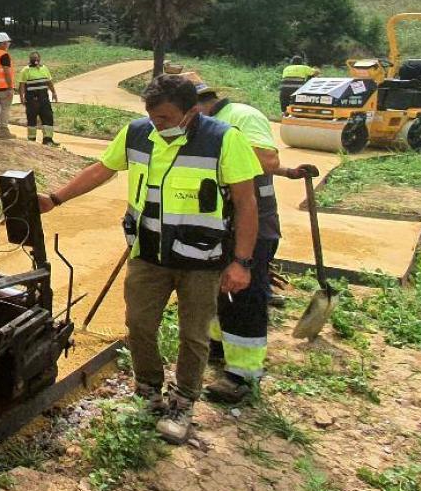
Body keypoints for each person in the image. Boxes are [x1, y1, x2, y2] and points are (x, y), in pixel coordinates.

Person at [37, 74, 261, 444]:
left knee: (193, 335)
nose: (157, 124)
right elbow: (102, 170)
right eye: (152, 116)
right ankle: (148, 391)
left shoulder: (224, 140)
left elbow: (246, 202)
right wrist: (56, 198)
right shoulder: (137, 133)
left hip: (200, 259)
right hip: (149, 254)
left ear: (191, 113)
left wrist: (242, 262)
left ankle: (184, 401)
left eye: (165, 118)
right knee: (139, 325)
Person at [184, 73, 317, 403]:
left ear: (199, 103)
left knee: (244, 293)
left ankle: (243, 375)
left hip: (253, 222)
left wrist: (217, 146)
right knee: (217, 290)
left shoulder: (241, 116)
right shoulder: (198, 126)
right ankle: (218, 347)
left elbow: (268, 160)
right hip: (217, 222)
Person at [18, 51, 58, 145]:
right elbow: (22, 85)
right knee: (32, 118)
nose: (35, 60)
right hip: (32, 99)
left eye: (37, 58)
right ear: (30, 60)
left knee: (48, 117)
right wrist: (22, 97)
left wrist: (54, 93)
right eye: (33, 58)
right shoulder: (25, 70)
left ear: (39, 59)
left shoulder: (44, 68)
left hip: (44, 97)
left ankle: (48, 140)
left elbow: (49, 82)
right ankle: (31, 141)